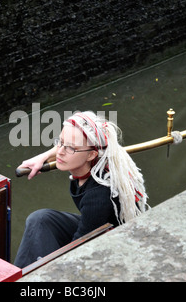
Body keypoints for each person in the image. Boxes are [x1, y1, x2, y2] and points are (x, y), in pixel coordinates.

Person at [14, 111, 149, 268]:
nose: (60, 152)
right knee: (40, 219)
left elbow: (76, 252)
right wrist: (42, 157)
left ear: (91, 155)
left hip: (112, 244)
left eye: (70, 148)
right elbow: (66, 145)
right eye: (60, 142)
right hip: (95, 227)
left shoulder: (99, 195)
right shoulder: (91, 162)